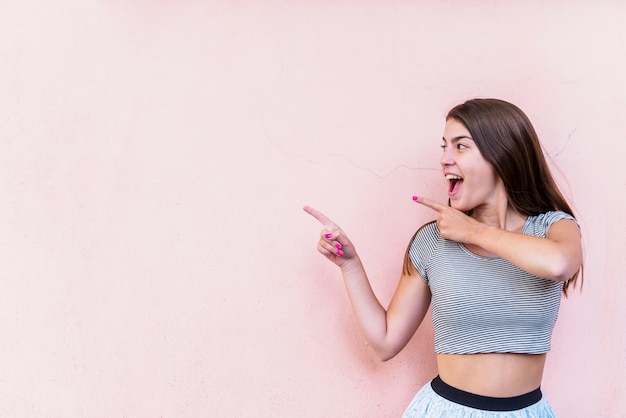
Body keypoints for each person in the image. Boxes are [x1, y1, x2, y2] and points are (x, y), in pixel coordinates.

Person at [303, 98, 583, 417]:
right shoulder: (432, 241)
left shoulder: (553, 227)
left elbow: (561, 264)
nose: (445, 160)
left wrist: (473, 231)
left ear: (502, 154)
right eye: (444, 147)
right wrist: (349, 264)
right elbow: (384, 342)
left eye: (460, 146)